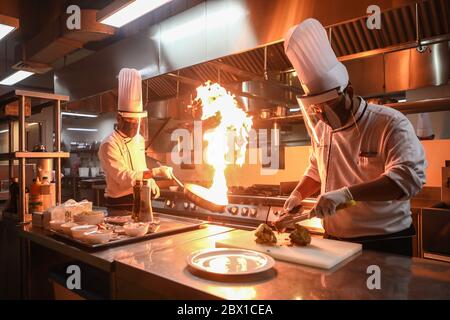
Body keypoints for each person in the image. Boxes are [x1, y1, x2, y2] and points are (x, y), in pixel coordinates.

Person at [281, 19, 427, 256]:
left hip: (384, 244)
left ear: (348, 92)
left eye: (327, 106)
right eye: (315, 108)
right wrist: (298, 194)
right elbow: (316, 171)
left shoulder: (388, 122)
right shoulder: (321, 129)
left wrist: (346, 195)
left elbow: (406, 180)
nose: (322, 115)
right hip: (334, 242)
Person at [99, 68, 173, 215]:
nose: (135, 127)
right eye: (131, 123)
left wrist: (150, 182)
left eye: (137, 123)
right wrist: (154, 173)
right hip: (121, 202)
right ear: (119, 119)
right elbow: (124, 177)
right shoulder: (109, 144)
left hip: (142, 197)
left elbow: (140, 166)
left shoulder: (138, 139)